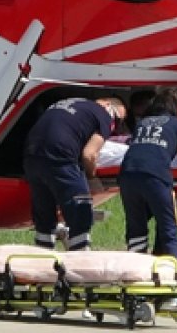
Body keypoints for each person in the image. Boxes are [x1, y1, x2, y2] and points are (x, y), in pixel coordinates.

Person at [22, 96, 125, 251]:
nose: (114, 126)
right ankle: (80, 258)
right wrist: (91, 178)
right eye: (117, 120)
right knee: (80, 210)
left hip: (31, 156)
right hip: (60, 156)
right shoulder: (103, 115)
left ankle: (42, 258)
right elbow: (89, 154)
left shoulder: (70, 104)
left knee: (44, 216)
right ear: (108, 105)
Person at [118, 90, 177, 260]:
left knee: (136, 230)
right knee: (168, 228)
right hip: (155, 176)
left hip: (127, 174)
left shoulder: (142, 123)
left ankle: (135, 274)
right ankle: (175, 277)